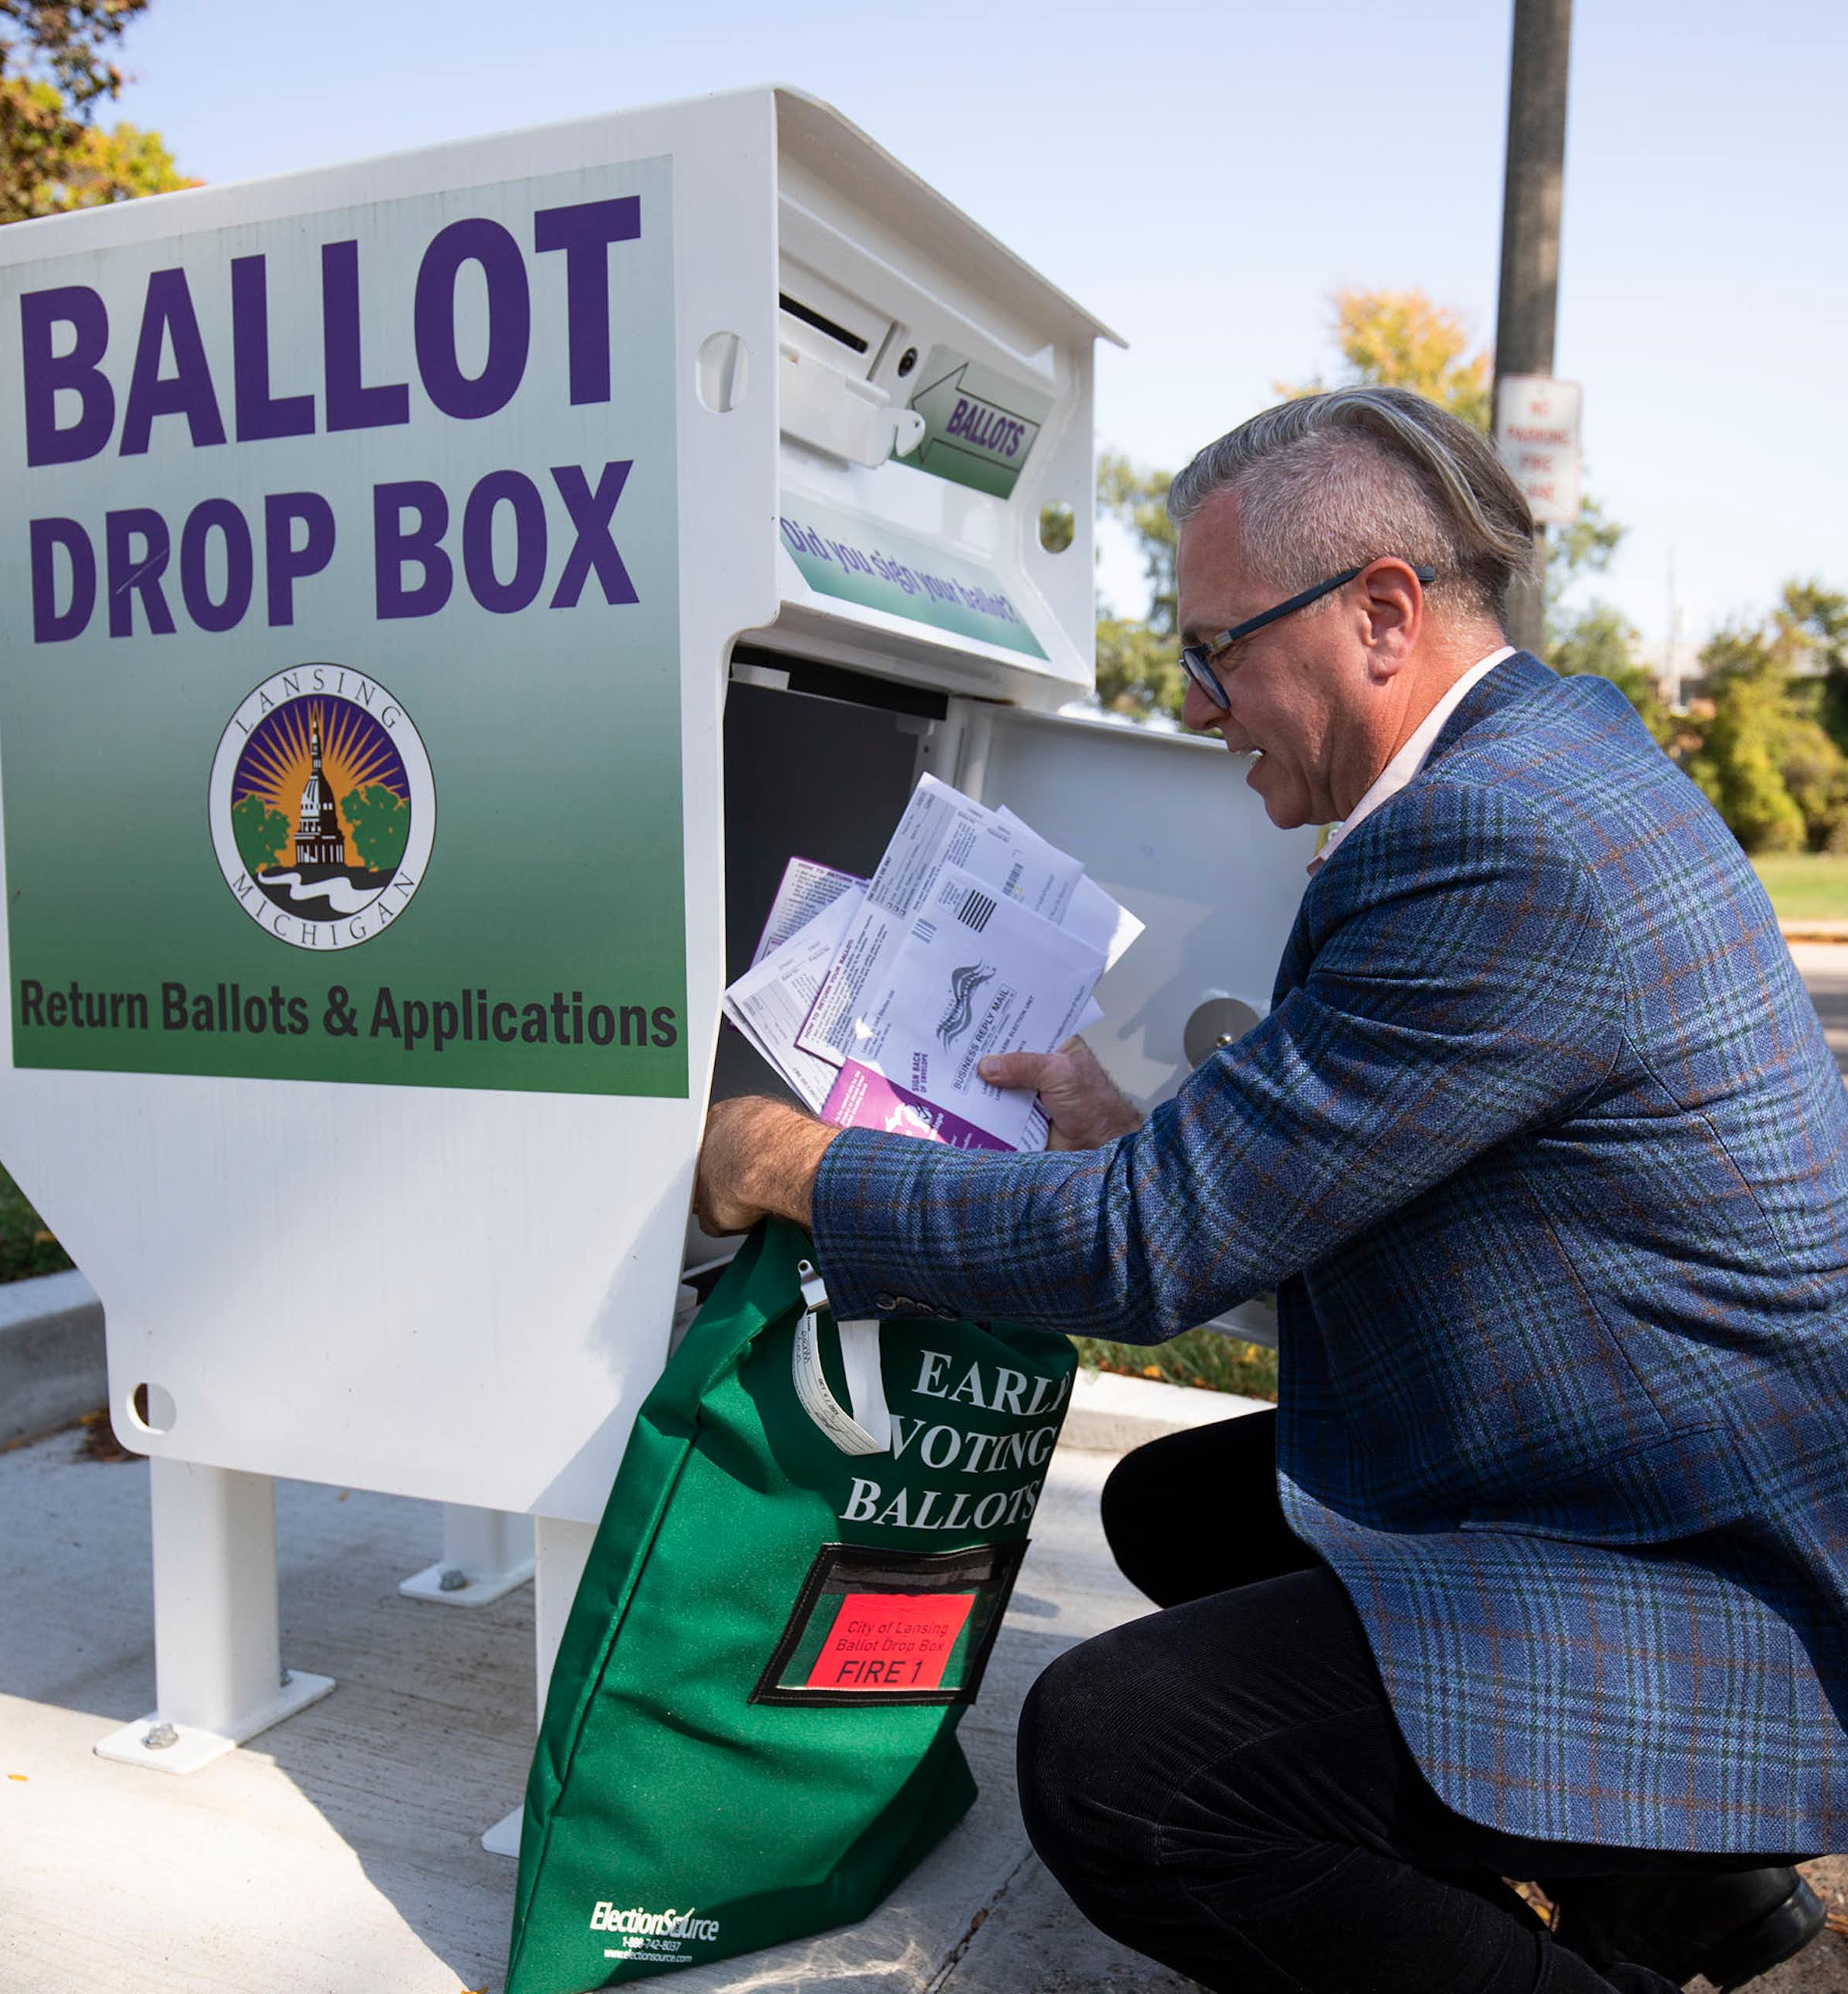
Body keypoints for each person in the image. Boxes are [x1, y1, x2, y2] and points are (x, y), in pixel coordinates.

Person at [692, 386, 1848, 1993]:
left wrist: (793, 1162)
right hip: (1652, 1484)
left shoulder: (1488, 845)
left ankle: (1650, 1863)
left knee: (1118, 1763)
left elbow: (1136, 1258)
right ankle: (1704, 1911)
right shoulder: (1544, 769)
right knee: (1183, 1507)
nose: (1192, 703)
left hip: (1704, 1596)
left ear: (1378, 608)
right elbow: (1325, 1168)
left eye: (1211, 650)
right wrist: (1129, 1137)